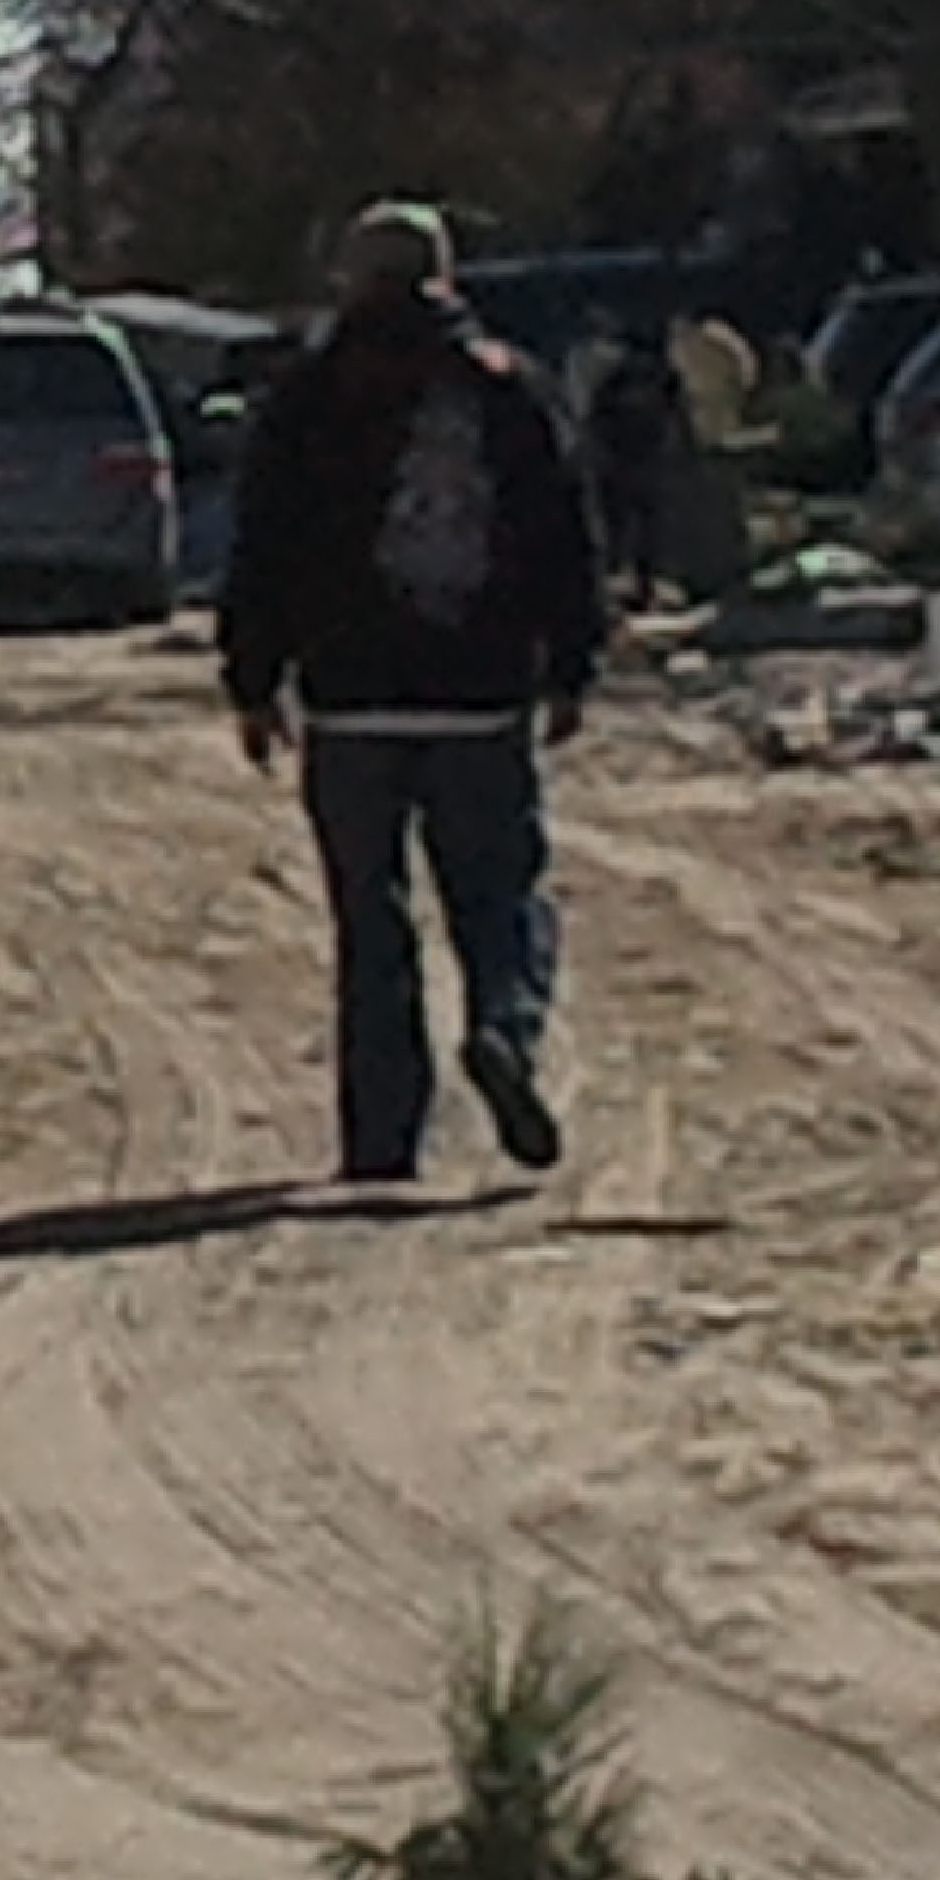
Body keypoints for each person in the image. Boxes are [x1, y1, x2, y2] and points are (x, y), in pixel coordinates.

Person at [218, 203, 606, 1184]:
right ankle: (503, 1030)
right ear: (446, 276)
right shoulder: (510, 389)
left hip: (348, 695)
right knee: (499, 894)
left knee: (371, 920)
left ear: (352, 279)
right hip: (479, 689)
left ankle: (382, 1139)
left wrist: (254, 681)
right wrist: (571, 664)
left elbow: (262, 544)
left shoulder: (307, 395)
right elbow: (564, 533)